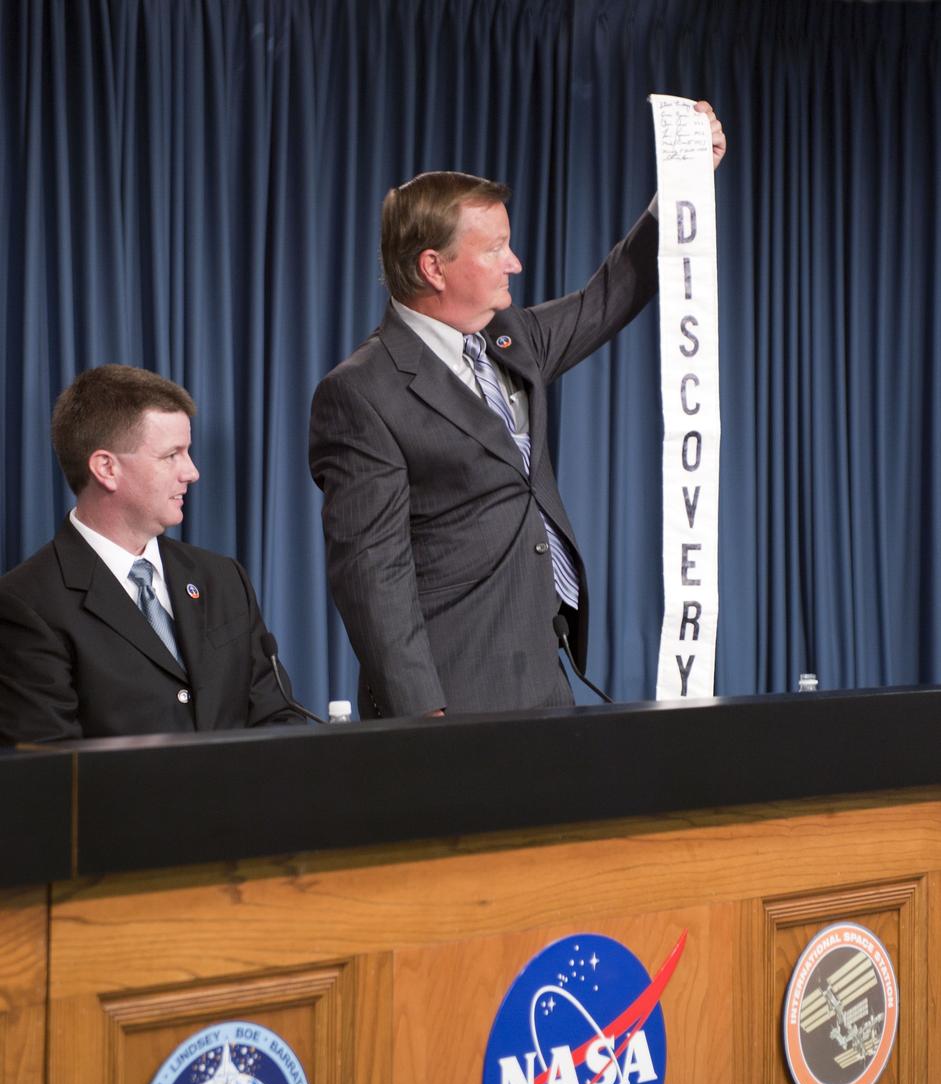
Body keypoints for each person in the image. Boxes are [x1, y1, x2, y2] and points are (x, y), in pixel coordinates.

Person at [310, 102, 726, 719]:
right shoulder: (363, 391)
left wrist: (682, 187)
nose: (516, 263)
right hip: (453, 695)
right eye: (497, 248)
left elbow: (607, 297)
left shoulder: (512, 337)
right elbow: (372, 576)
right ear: (434, 266)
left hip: (541, 675)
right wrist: (423, 716)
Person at [0, 364, 303, 743]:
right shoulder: (27, 605)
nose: (192, 472)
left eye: (187, 452)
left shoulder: (223, 578)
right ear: (106, 468)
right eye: (171, 455)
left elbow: (278, 719)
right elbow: (52, 773)